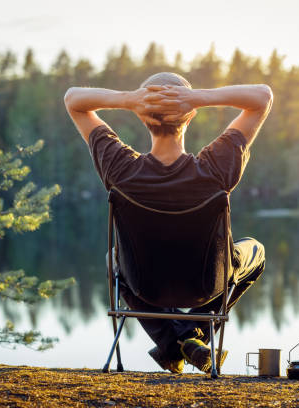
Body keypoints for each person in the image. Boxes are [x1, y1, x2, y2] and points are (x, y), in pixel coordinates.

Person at [64, 72, 272, 373]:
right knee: (256, 250)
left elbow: (73, 100)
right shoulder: (215, 168)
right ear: (190, 118)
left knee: (114, 259)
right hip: (207, 284)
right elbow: (263, 97)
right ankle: (190, 334)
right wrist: (198, 98)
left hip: (145, 286)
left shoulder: (120, 169)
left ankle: (173, 341)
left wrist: (129, 99)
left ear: (143, 118)